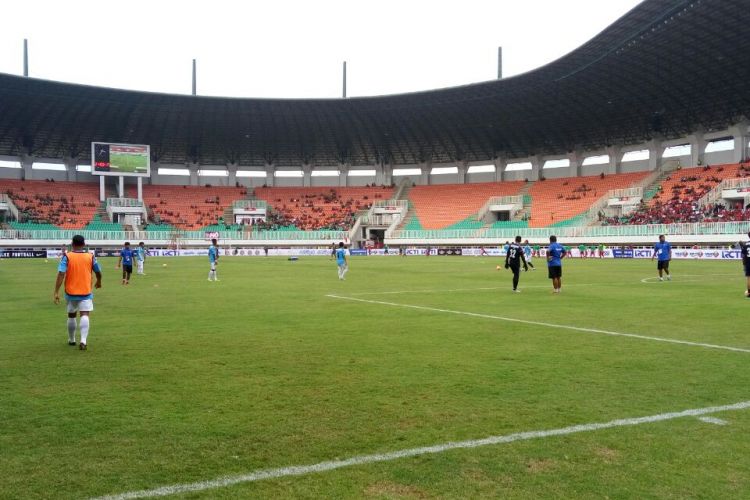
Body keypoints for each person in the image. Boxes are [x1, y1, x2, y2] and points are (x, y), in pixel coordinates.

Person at [53, 235, 102, 351]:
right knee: (85, 314)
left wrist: (56, 291)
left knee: (71, 315)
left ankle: (71, 339)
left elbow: (61, 273)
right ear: (84, 244)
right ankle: (83, 341)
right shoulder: (90, 256)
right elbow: (98, 271)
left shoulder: (67, 256)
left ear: (72, 244)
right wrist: (99, 281)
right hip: (85, 291)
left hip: (71, 292)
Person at [739, 232, 750, 297]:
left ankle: (749, 292)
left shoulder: (746, 244)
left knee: (749, 278)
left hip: (748, 262)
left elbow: (743, 255)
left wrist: (741, 246)